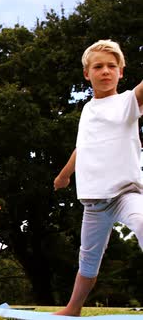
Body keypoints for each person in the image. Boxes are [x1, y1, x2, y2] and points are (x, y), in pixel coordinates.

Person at [53, 39, 143, 316]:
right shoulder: (87, 110)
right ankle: (72, 309)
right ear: (87, 73)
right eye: (98, 66)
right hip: (94, 202)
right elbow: (84, 148)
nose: (105, 71)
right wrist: (64, 175)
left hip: (126, 194)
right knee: (88, 260)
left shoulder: (127, 101)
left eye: (111, 66)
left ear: (121, 72)